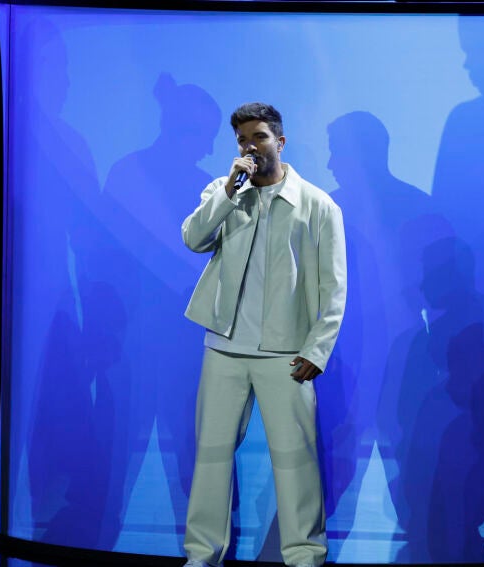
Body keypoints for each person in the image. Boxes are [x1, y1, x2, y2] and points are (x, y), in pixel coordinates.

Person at [180, 102, 347, 567]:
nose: (250, 147)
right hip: (224, 347)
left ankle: (304, 556)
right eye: (242, 140)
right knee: (212, 456)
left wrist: (317, 349)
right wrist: (228, 191)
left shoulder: (317, 204)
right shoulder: (223, 192)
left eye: (259, 137)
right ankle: (201, 556)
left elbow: (334, 287)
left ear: (280, 141)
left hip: (285, 352)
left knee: (296, 460)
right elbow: (193, 239)